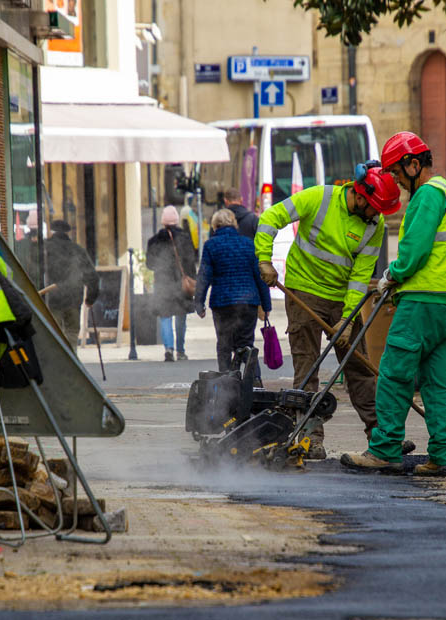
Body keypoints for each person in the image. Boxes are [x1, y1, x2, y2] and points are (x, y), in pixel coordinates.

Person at [341, 132, 446, 477]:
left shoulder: (427, 196)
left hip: (422, 299)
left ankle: (385, 449)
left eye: (397, 175)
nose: (397, 184)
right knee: (439, 382)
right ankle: (444, 456)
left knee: (394, 373)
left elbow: (415, 251)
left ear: (413, 164)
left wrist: (393, 274)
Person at [255, 167, 403, 460]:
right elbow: (270, 218)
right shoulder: (319, 198)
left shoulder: (375, 224)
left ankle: (380, 437)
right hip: (303, 292)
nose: (378, 214)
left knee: (359, 368)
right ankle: (309, 438)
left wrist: (348, 320)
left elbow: (360, 278)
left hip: (341, 299)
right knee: (307, 369)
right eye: (377, 207)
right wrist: (264, 260)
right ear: (361, 195)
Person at [195, 209, 272, 371]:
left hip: (222, 304)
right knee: (246, 344)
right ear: (235, 224)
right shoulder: (249, 244)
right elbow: (260, 277)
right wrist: (266, 305)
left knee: (224, 345)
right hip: (248, 302)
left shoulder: (211, 245)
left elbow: (204, 276)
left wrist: (199, 303)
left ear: (214, 226)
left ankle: (226, 383)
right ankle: (255, 381)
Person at [146, 206, 197, 362]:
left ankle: (168, 349)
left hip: (163, 284)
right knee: (181, 318)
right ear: (176, 221)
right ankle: (181, 351)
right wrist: (192, 279)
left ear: (163, 221)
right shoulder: (185, 238)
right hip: (181, 284)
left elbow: (149, 264)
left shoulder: (154, 241)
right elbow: (190, 262)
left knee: (165, 316)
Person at [44, 219, 99, 349]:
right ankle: (71, 361)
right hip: (73, 299)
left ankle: (57, 365)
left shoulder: (45, 248)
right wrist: (91, 298)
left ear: (51, 231)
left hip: (51, 299)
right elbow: (92, 276)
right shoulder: (78, 250)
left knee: (54, 336)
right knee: (72, 334)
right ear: (68, 233)